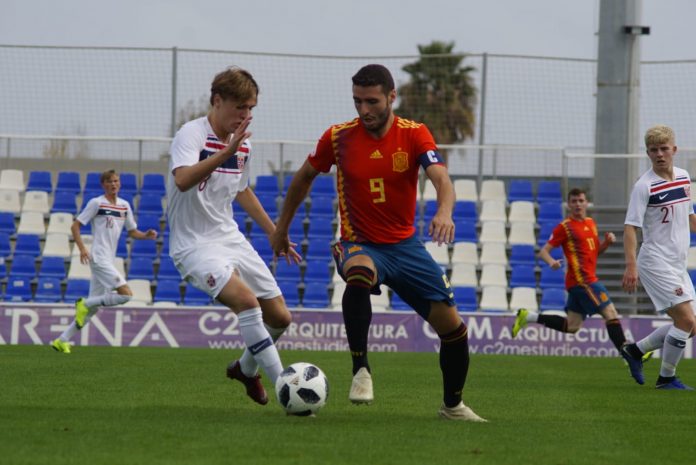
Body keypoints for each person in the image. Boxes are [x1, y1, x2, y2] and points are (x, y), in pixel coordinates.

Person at [270, 64, 485, 421]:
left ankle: (453, 407)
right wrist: (281, 228)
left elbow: (441, 179)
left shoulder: (414, 134)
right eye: (357, 102)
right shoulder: (337, 138)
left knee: (454, 330)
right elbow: (303, 178)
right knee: (358, 274)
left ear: (391, 97)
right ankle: (361, 370)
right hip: (360, 244)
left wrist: (444, 211)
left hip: (405, 248)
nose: (364, 110)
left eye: (371, 101)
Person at [166, 67, 300, 406]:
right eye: (240, 107)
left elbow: (242, 191)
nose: (246, 115)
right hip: (194, 244)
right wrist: (224, 152)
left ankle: (245, 368)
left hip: (229, 237)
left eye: (251, 108)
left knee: (281, 318)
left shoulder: (243, 145)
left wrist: (276, 232)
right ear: (217, 101)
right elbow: (182, 180)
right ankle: (288, 392)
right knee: (247, 303)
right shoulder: (190, 135)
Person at [512, 188, 642, 379]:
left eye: (581, 200)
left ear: (586, 203)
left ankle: (529, 316)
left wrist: (605, 243)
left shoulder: (590, 223)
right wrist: (552, 262)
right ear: (569, 204)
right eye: (574, 201)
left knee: (572, 326)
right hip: (584, 281)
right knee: (611, 313)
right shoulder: (565, 227)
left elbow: (593, 253)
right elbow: (544, 251)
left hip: (579, 282)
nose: (578, 204)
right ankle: (626, 353)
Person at [621, 124, 696, 390]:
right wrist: (631, 266)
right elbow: (631, 227)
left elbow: (688, 217)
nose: (659, 154)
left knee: (690, 326)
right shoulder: (644, 186)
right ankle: (666, 379)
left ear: (674, 150)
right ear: (648, 153)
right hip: (655, 261)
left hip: (677, 263)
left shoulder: (684, 177)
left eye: (664, 149)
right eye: (653, 150)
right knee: (686, 321)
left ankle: (635, 351)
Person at [51, 169, 159, 353]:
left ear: (120, 183)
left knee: (93, 308)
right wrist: (82, 248)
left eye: (116, 181)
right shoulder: (96, 203)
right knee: (126, 295)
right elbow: (75, 225)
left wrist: (146, 235)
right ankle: (83, 303)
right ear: (103, 185)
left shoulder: (124, 205)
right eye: (109, 182)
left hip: (110, 259)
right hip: (99, 257)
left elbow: (132, 231)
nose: (113, 184)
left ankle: (62, 340)